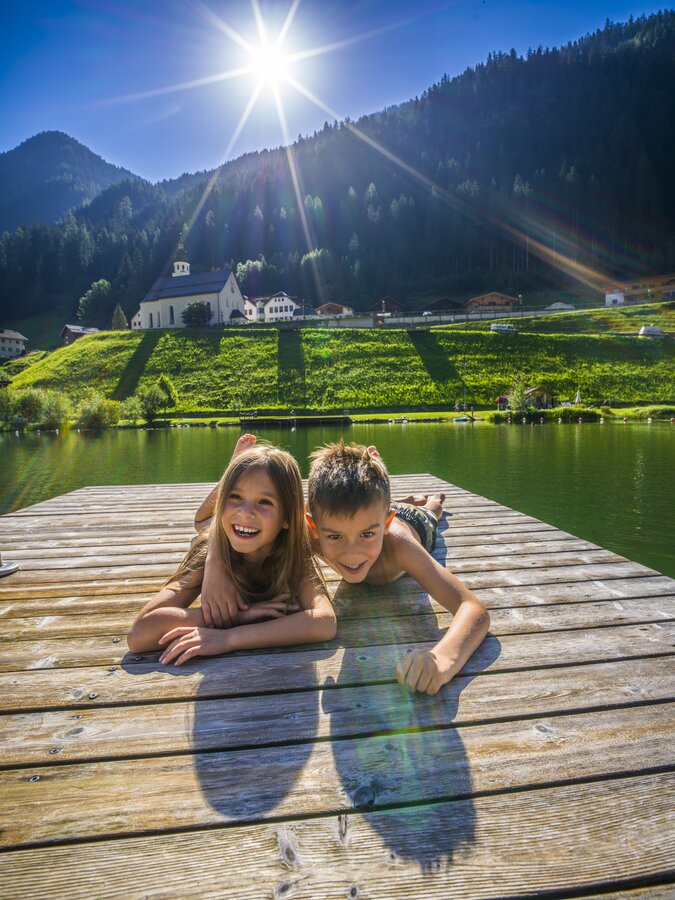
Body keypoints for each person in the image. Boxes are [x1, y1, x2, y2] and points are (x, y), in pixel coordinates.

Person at [127, 437, 336, 664]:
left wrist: (229, 638)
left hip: (226, 531)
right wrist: (240, 616)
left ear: (287, 517)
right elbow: (139, 635)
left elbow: (325, 622)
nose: (246, 512)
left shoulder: (293, 553)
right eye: (235, 496)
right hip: (215, 538)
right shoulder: (206, 554)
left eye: (265, 502)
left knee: (204, 524)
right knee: (205, 527)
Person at [306, 442, 490, 695]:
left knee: (432, 513)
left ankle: (432, 501)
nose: (352, 553)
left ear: (385, 524)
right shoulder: (310, 534)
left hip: (415, 522)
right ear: (314, 527)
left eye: (367, 534)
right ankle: (393, 503)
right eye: (335, 537)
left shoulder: (400, 546)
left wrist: (441, 661)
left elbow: (473, 609)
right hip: (381, 512)